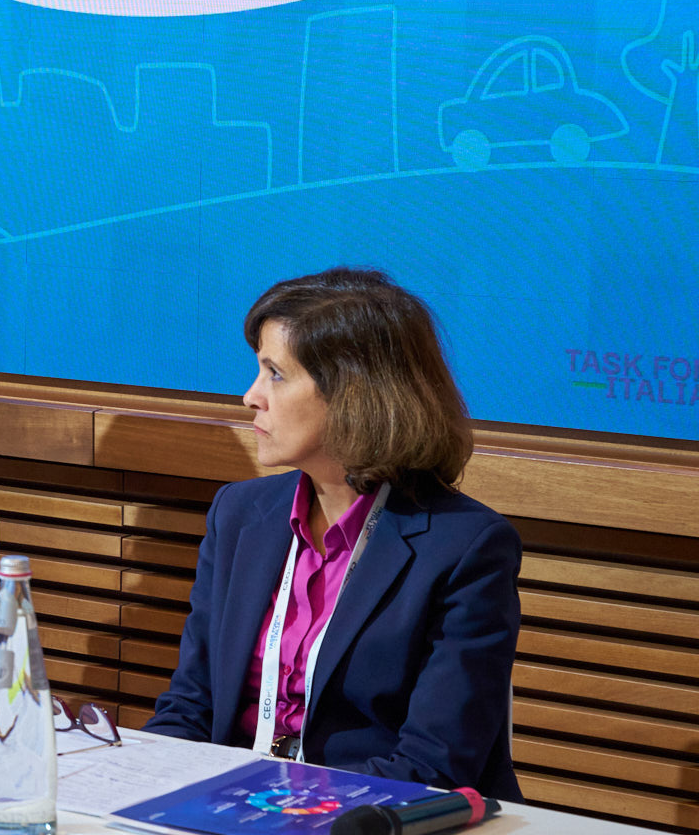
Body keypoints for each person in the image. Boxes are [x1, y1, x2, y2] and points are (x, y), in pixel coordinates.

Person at [146, 267, 522, 798]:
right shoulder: (239, 514)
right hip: (231, 804)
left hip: (368, 815)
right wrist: (136, 785)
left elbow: (432, 768)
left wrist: (282, 810)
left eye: (275, 374)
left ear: (353, 394)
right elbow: (190, 707)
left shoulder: (465, 547)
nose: (251, 396)